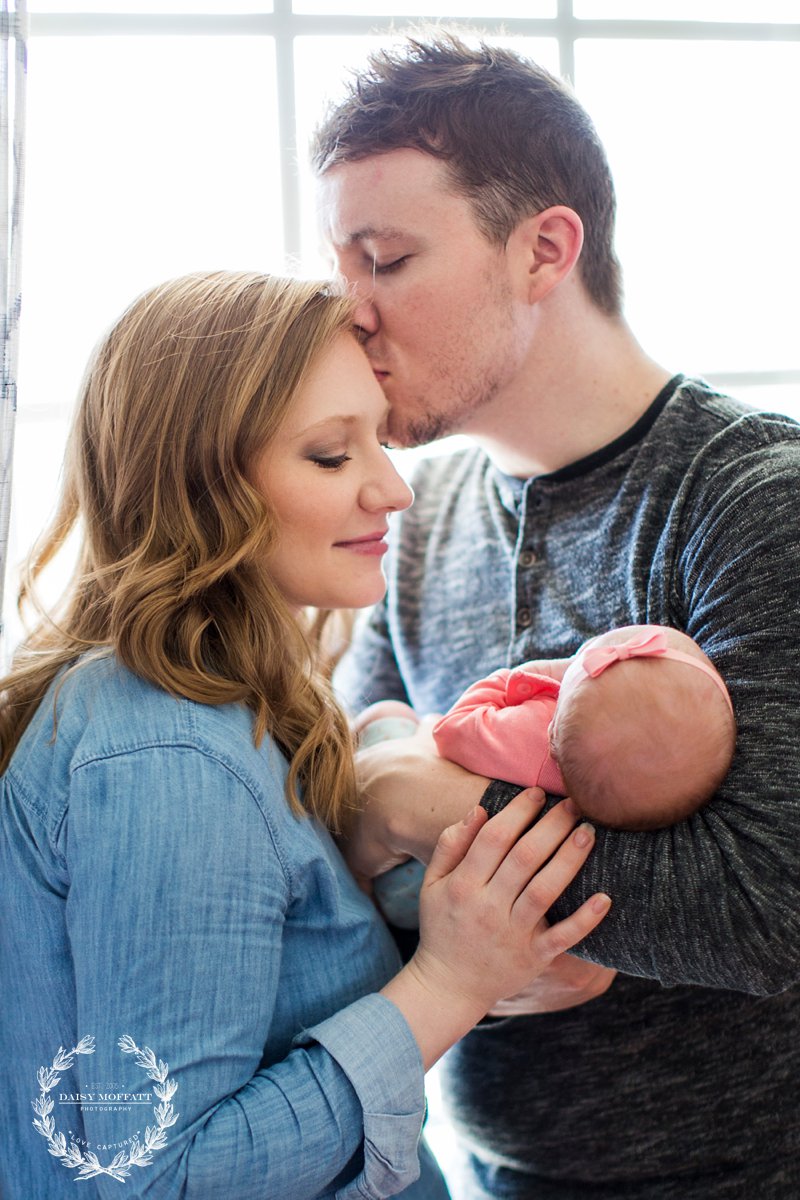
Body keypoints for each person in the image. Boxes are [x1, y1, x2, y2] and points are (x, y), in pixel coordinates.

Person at [312, 33, 800, 1200]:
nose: (348, 313)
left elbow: (769, 902)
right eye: (338, 267)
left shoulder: (754, 502)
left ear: (543, 249)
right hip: (496, 1173)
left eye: (385, 260)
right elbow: (341, 818)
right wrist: (475, 927)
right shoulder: (415, 519)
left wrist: (435, 807)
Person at [0, 270, 612, 1200]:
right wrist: (448, 985)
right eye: (330, 455)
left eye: (379, 440)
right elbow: (163, 1177)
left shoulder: (218, 708)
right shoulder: (169, 755)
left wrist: (474, 958)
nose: (394, 490)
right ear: (200, 488)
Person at [359, 624, 736, 929]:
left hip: (414, 877)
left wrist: (523, 678)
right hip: (467, 894)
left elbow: (451, 731)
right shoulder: (622, 778)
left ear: (553, 733)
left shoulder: (534, 731)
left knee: (387, 715)